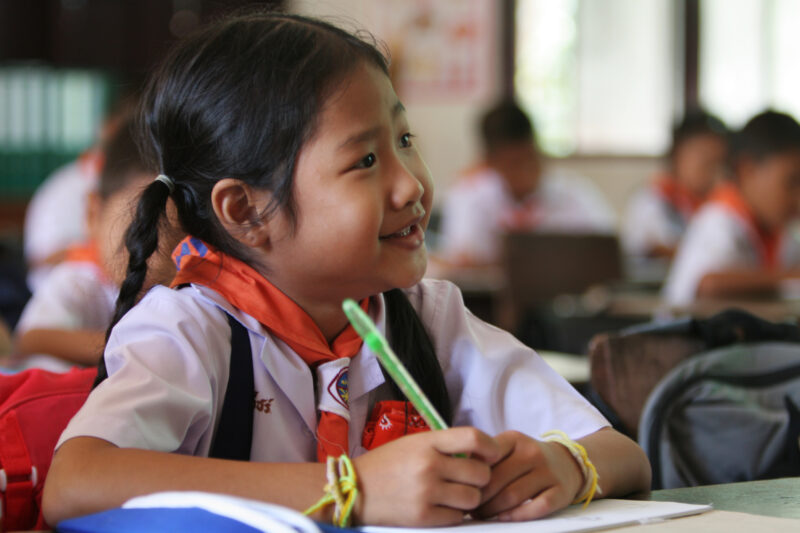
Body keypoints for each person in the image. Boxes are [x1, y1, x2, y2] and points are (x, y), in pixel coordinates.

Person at [42, 12, 650, 528]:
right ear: (247, 210)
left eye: (405, 139)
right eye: (364, 160)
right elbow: (75, 484)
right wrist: (350, 488)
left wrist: (564, 467)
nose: (411, 184)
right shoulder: (192, 330)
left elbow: (623, 454)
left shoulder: (427, 317)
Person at [11, 117, 181, 372]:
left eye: (181, 239)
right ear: (93, 215)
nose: (158, 255)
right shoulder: (80, 283)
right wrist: (130, 342)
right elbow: (31, 340)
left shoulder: (190, 293)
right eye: (139, 230)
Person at [436, 100, 616, 267]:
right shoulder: (470, 196)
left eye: (531, 158)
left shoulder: (575, 194)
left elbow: (608, 251)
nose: (526, 172)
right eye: (514, 163)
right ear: (489, 162)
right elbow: (461, 260)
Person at [663, 110, 800, 307]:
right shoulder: (719, 219)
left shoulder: (779, 233)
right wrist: (789, 277)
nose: (798, 197)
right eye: (791, 182)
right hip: (680, 335)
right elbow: (708, 285)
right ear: (748, 170)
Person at [622, 110, 729, 260]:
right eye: (703, 158)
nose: (711, 171)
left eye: (717, 162)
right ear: (677, 154)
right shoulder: (652, 200)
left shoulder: (717, 205)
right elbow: (656, 247)